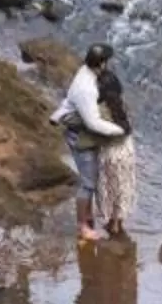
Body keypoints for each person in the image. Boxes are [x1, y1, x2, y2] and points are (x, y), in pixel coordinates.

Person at [52, 44, 124, 241]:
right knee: (88, 183)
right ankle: (83, 227)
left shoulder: (86, 72)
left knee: (92, 179)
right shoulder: (86, 89)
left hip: (82, 129)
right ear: (100, 64)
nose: (109, 64)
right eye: (107, 61)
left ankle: (89, 216)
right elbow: (93, 123)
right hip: (80, 136)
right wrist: (118, 131)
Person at [94, 67, 140, 242]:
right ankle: (117, 222)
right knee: (123, 186)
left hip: (110, 152)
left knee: (109, 187)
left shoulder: (98, 109)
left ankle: (110, 222)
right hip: (126, 149)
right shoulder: (121, 106)